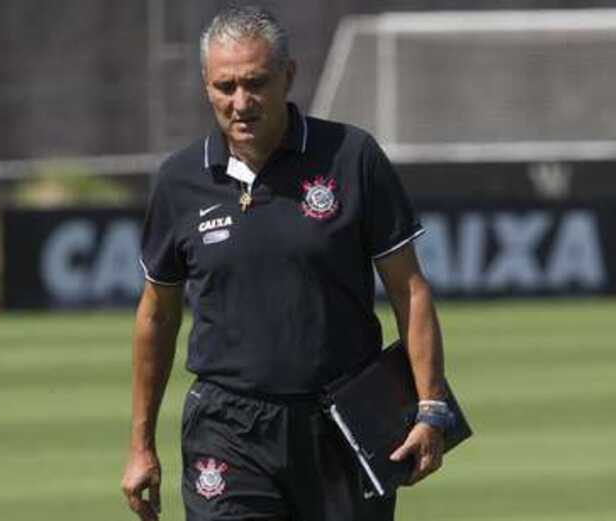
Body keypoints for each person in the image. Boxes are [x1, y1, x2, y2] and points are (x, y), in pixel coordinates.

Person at [122, 5, 450, 521]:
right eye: (225, 87)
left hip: (344, 425)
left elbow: (408, 288)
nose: (241, 102)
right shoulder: (179, 181)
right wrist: (141, 444)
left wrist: (431, 406)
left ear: (288, 76)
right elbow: (157, 315)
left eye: (256, 83)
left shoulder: (352, 156)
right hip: (227, 430)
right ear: (207, 86)